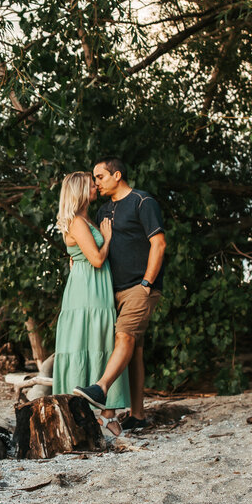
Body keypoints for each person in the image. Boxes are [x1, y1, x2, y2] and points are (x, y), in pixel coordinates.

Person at [74, 158, 167, 431]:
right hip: (111, 290)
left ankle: (101, 388)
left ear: (117, 175)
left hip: (140, 287)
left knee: (124, 335)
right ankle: (137, 415)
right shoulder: (102, 210)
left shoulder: (142, 201)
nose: (96, 183)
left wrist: (147, 283)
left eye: (100, 177)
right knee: (134, 350)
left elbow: (158, 243)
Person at [41, 171, 128, 436]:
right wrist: (108, 238)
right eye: (91, 185)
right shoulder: (78, 222)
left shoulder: (85, 218)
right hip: (88, 289)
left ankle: (108, 413)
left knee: (100, 343)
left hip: (94, 286)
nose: (95, 187)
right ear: (80, 190)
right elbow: (97, 260)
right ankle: (87, 414)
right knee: (91, 343)